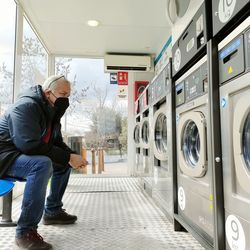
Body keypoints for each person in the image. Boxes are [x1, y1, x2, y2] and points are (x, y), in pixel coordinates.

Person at [0, 75, 87, 250]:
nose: (66, 99)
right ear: (48, 93)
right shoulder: (25, 107)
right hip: (5, 157)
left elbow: (56, 143)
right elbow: (29, 144)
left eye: (68, 94)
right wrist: (68, 157)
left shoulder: (52, 111)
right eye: (63, 93)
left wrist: (72, 156)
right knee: (42, 164)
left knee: (62, 162)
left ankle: (53, 211)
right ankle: (25, 231)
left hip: (21, 155)